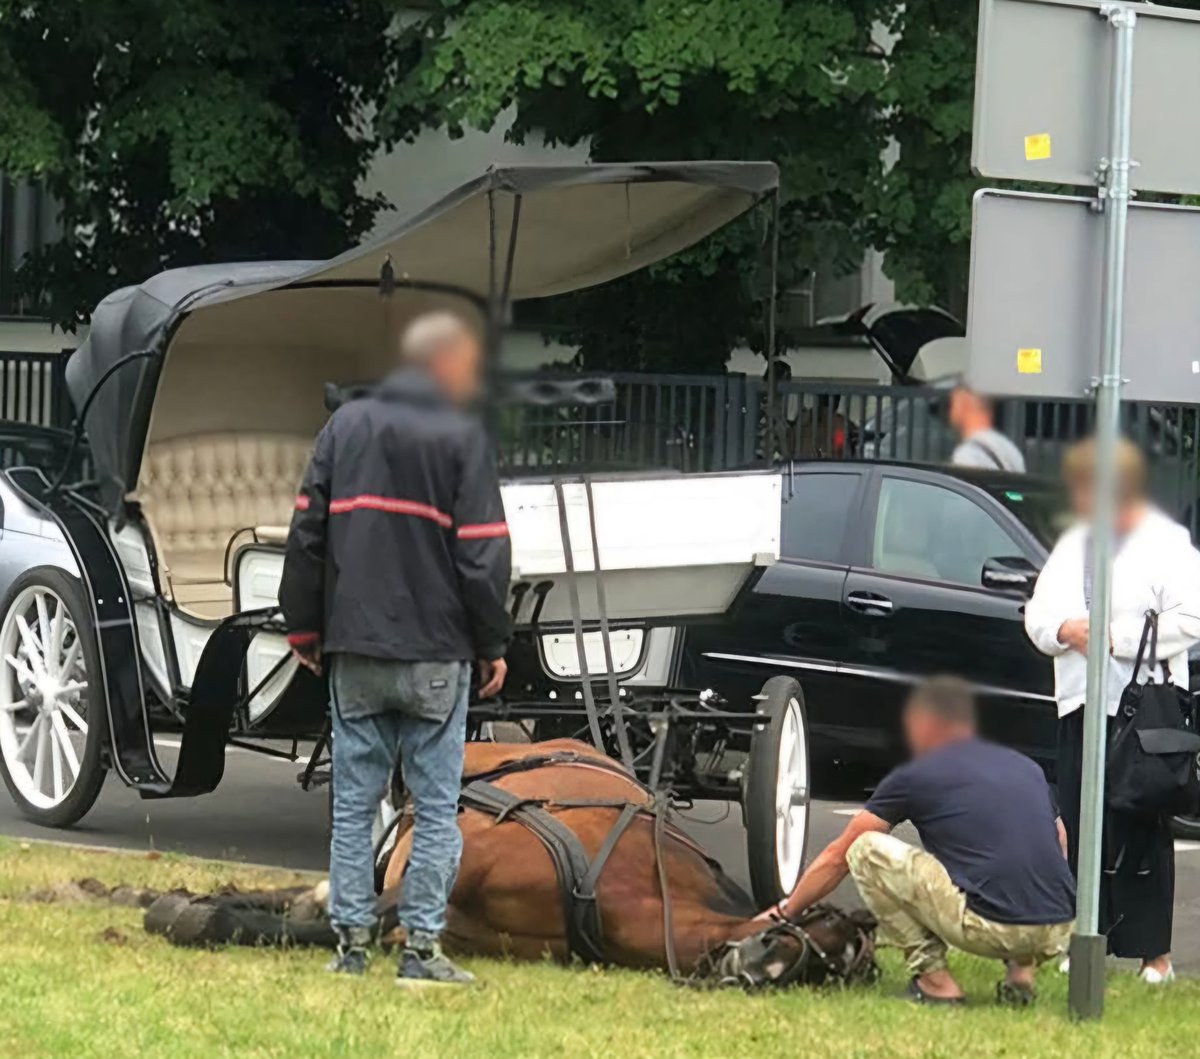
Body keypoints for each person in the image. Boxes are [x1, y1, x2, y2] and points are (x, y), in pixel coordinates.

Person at [279, 311, 512, 986]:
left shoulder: (342, 428)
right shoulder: (463, 436)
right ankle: (422, 952)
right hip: (436, 652)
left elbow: (307, 538)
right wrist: (492, 641)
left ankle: (351, 946)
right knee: (435, 807)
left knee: (354, 803)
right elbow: (483, 556)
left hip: (354, 648)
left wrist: (304, 631)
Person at [770, 677, 1075, 1005]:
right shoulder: (1024, 766)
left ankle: (935, 982)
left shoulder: (917, 774)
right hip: (1058, 927)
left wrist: (785, 912)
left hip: (991, 927)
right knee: (1005, 864)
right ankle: (1021, 977)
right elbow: (1059, 839)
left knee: (865, 850)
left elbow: (837, 856)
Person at [1025, 436, 1200, 984]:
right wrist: (1061, 630)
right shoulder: (1075, 541)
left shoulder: (1168, 543)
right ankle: (1085, 939)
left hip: (1143, 713)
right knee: (1082, 825)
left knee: (1140, 827)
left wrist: (1113, 637)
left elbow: (1192, 620)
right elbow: (1037, 616)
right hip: (1082, 705)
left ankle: (1155, 956)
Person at [947, 383, 1026, 472]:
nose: (950, 412)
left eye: (953, 404)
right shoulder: (1011, 449)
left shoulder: (967, 454)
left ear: (964, 403)